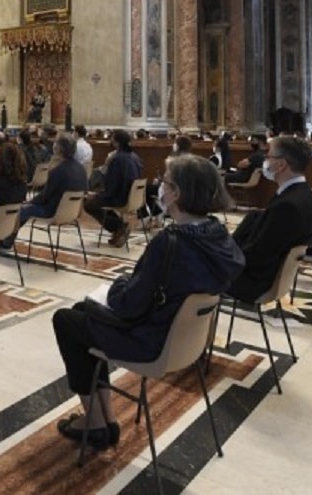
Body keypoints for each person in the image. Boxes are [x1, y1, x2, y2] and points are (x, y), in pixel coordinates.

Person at [50, 155, 245, 449]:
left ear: (177, 193)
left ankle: (98, 420)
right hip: (186, 340)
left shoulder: (171, 242)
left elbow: (129, 304)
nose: (159, 187)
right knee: (81, 315)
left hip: (151, 339)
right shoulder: (219, 236)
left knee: (66, 320)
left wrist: (117, 284)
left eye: (165, 182)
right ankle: (105, 418)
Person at [227, 136, 312, 302]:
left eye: (269, 157)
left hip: (255, 281)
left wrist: (223, 257)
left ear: (281, 165)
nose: (266, 161)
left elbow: (258, 255)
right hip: (270, 275)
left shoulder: (288, 206)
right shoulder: (306, 196)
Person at [84, 129, 143, 247]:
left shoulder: (117, 159)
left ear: (116, 142)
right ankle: (118, 229)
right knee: (99, 202)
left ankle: (118, 226)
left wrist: (97, 194)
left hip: (120, 196)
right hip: (132, 196)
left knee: (89, 204)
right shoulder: (135, 156)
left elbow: (112, 187)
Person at [19, 133, 88, 227]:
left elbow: (45, 195)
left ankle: (6, 240)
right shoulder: (81, 168)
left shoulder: (59, 170)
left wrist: (30, 202)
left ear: (58, 148)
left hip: (53, 211)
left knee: (20, 210)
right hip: (73, 211)